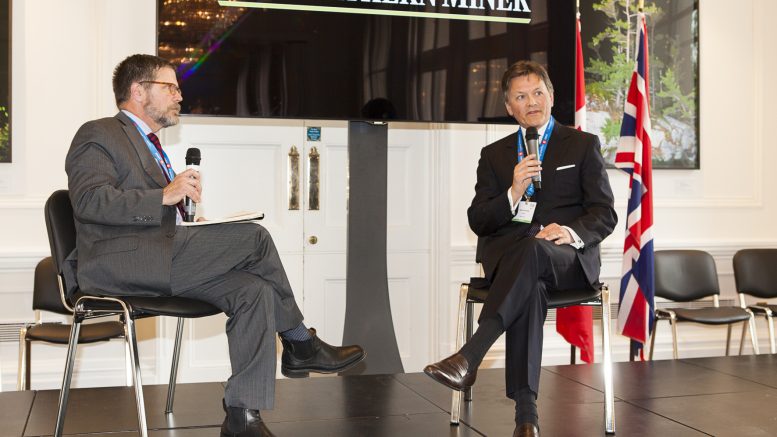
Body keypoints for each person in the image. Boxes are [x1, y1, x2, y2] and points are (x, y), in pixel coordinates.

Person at [65, 54, 365, 437]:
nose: (179, 94)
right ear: (138, 91)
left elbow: (155, 209)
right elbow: (90, 201)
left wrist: (187, 224)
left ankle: (243, 415)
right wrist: (164, 196)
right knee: (255, 238)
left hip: (159, 257)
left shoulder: (150, 144)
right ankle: (300, 343)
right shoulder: (99, 133)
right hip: (118, 266)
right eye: (169, 86)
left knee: (252, 290)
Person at [424, 61, 617, 437]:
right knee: (530, 283)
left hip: (567, 259)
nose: (532, 102)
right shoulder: (494, 155)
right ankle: (526, 419)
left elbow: (604, 213)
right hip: (515, 264)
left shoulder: (581, 144)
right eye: (521, 96)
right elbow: (479, 220)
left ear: (552, 96)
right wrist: (512, 192)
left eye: (538, 93)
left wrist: (570, 231)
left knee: (534, 253)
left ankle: (470, 355)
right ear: (509, 107)